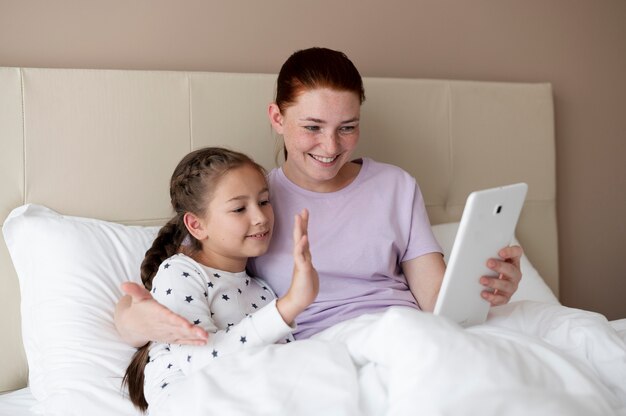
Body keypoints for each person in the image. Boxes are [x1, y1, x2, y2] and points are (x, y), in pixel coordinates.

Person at [114, 47, 523, 346]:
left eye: (347, 127)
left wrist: (485, 289)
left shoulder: (396, 185)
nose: (330, 146)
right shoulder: (251, 203)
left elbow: (437, 302)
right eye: (312, 127)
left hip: (406, 335)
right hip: (320, 353)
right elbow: (183, 287)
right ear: (277, 117)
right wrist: (139, 325)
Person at [122, 147, 319, 412]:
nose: (261, 218)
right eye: (239, 208)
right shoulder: (179, 273)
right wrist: (290, 305)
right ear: (196, 225)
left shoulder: (261, 289)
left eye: (263, 201)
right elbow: (201, 362)